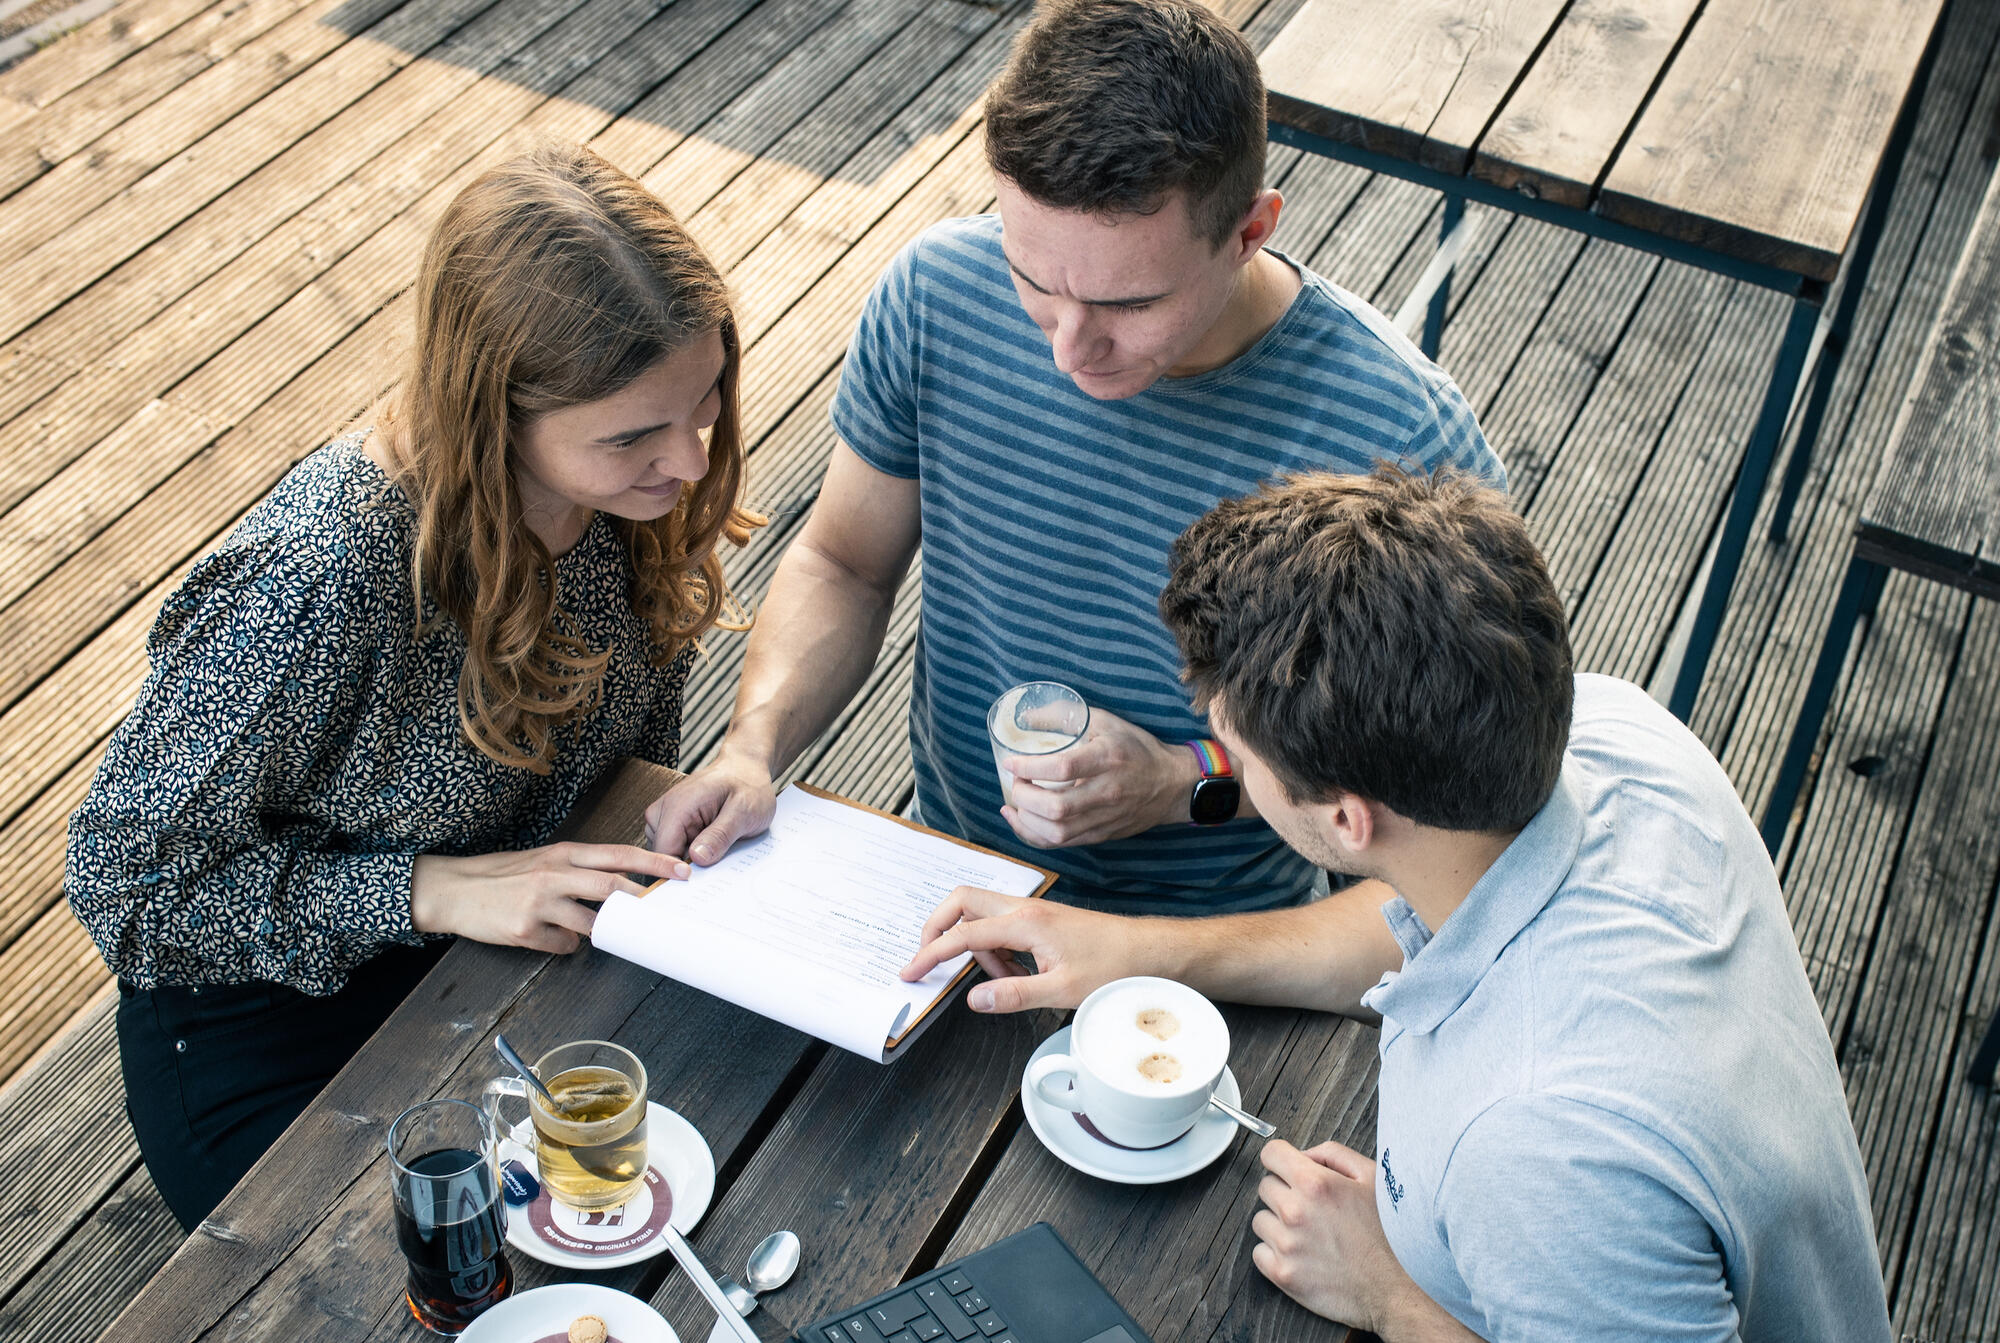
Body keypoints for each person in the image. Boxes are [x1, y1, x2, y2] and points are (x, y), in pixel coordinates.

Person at [899, 468, 1892, 1342]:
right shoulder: (1613, 732)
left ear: (1346, 817)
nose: (1220, 762)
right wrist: (1141, 949)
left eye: (1233, 754)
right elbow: (1416, 918)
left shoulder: (1539, 1149)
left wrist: (1391, 1293)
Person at [646, 0, 1502, 914]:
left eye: (1129, 303)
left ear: (1250, 230)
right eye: (1033, 278)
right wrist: (752, 745)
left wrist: (1183, 781)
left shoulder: (1402, 438)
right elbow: (844, 564)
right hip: (943, 883)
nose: (1067, 348)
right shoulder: (936, 292)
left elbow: (1446, 831)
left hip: (1218, 953)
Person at [65, 143, 761, 1231]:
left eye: (704, 400)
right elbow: (131, 884)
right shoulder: (323, 570)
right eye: (633, 433)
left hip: (511, 962)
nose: (687, 460)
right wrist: (428, 889)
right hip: (282, 1020)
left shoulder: (625, 492)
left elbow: (617, 754)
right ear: (497, 411)